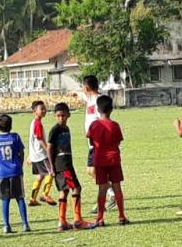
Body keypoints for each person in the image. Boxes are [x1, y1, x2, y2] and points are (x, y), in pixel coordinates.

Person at [47, 102, 95, 231]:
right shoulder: (55, 129)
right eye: (58, 115)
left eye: (63, 115)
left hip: (67, 163)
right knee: (76, 188)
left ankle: (62, 222)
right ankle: (77, 220)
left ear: (68, 115)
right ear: (54, 116)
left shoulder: (66, 129)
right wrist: (52, 167)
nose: (61, 118)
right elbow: (50, 148)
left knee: (65, 190)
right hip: (62, 164)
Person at [74, 75, 115, 213]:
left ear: (86, 87)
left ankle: (111, 195)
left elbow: (103, 121)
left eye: (82, 87)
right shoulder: (90, 98)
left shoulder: (98, 101)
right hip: (92, 144)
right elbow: (83, 96)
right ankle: (111, 194)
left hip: (97, 144)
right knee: (93, 171)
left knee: (94, 172)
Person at [87, 95, 129, 226]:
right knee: (117, 186)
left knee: (102, 188)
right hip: (114, 159)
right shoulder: (115, 125)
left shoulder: (94, 125)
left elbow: (91, 141)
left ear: (98, 109)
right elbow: (118, 141)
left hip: (99, 160)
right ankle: (121, 216)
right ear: (111, 109)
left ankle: (100, 218)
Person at [0, 115, 30, 233]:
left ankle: (6, 226)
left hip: (2, 173)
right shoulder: (15, 137)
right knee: (20, 198)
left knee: (5, 199)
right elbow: (21, 153)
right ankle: (25, 224)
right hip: (15, 171)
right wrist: (20, 166)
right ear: (11, 125)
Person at [28, 100, 56, 206]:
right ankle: (45, 194)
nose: (44, 110)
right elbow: (40, 139)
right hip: (41, 154)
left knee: (40, 176)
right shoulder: (37, 123)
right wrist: (48, 150)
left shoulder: (33, 122)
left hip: (35, 154)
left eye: (45, 108)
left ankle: (32, 199)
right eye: (42, 109)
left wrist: (30, 155)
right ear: (35, 111)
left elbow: (32, 140)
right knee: (51, 173)